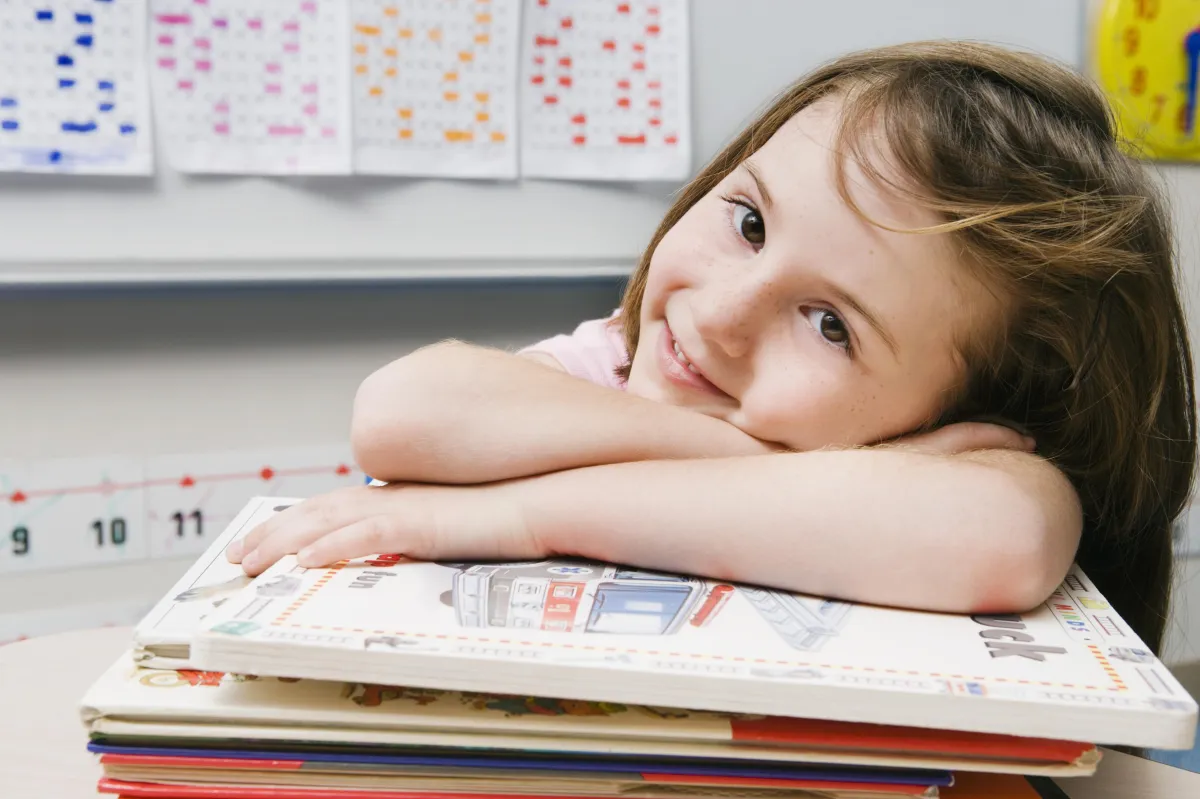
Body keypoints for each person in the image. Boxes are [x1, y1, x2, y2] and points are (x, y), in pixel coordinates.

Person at [228, 41, 1196, 655]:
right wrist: (773, 460)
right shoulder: (610, 369)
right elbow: (406, 415)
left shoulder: (979, 470)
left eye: (832, 325)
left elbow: (1001, 540)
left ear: (967, 409)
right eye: (747, 222)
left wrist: (522, 514)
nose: (725, 315)